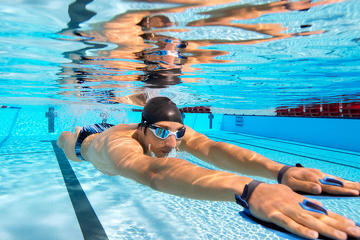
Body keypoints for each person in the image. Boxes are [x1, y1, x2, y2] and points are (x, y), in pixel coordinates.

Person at [57, 96, 360, 240]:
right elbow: (153, 173)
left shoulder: (167, 133)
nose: (172, 144)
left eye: (177, 134)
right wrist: (249, 190)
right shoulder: (120, 146)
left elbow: (212, 149)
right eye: (162, 133)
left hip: (122, 130)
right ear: (144, 128)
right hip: (86, 143)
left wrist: (279, 172)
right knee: (65, 139)